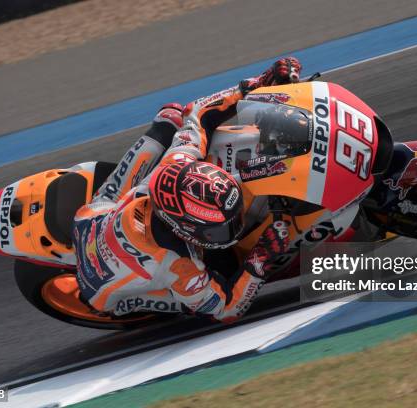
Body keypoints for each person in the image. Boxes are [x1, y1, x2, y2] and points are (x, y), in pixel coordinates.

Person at [73, 57, 301, 322]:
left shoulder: (177, 161)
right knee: (224, 272)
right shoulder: (178, 266)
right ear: (184, 230)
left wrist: (258, 83)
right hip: (100, 290)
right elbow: (228, 309)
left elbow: (198, 112)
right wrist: (259, 261)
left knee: (171, 118)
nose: (236, 225)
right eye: (219, 229)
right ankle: (134, 305)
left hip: (95, 212)